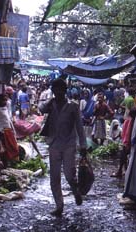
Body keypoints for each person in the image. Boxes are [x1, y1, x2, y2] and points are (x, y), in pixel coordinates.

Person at [38, 78, 87, 217]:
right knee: (54, 177)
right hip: (53, 144)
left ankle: (76, 191)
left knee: (69, 174)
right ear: (53, 91)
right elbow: (40, 109)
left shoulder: (73, 106)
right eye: (55, 90)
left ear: (65, 91)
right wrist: (50, 100)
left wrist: (83, 145)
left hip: (69, 145)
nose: (57, 93)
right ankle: (59, 206)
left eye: (60, 90)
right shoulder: (51, 104)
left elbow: (79, 127)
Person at [0, 94, 19, 162]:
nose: (5, 101)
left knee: (13, 147)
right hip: (2, 131)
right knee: (5, 148)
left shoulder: (6, 108)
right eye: (3, 100)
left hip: (8, 129)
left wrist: (13, 130)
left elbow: (9, 119)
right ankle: (5, 163)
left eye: (6, 100)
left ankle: (10, 162)